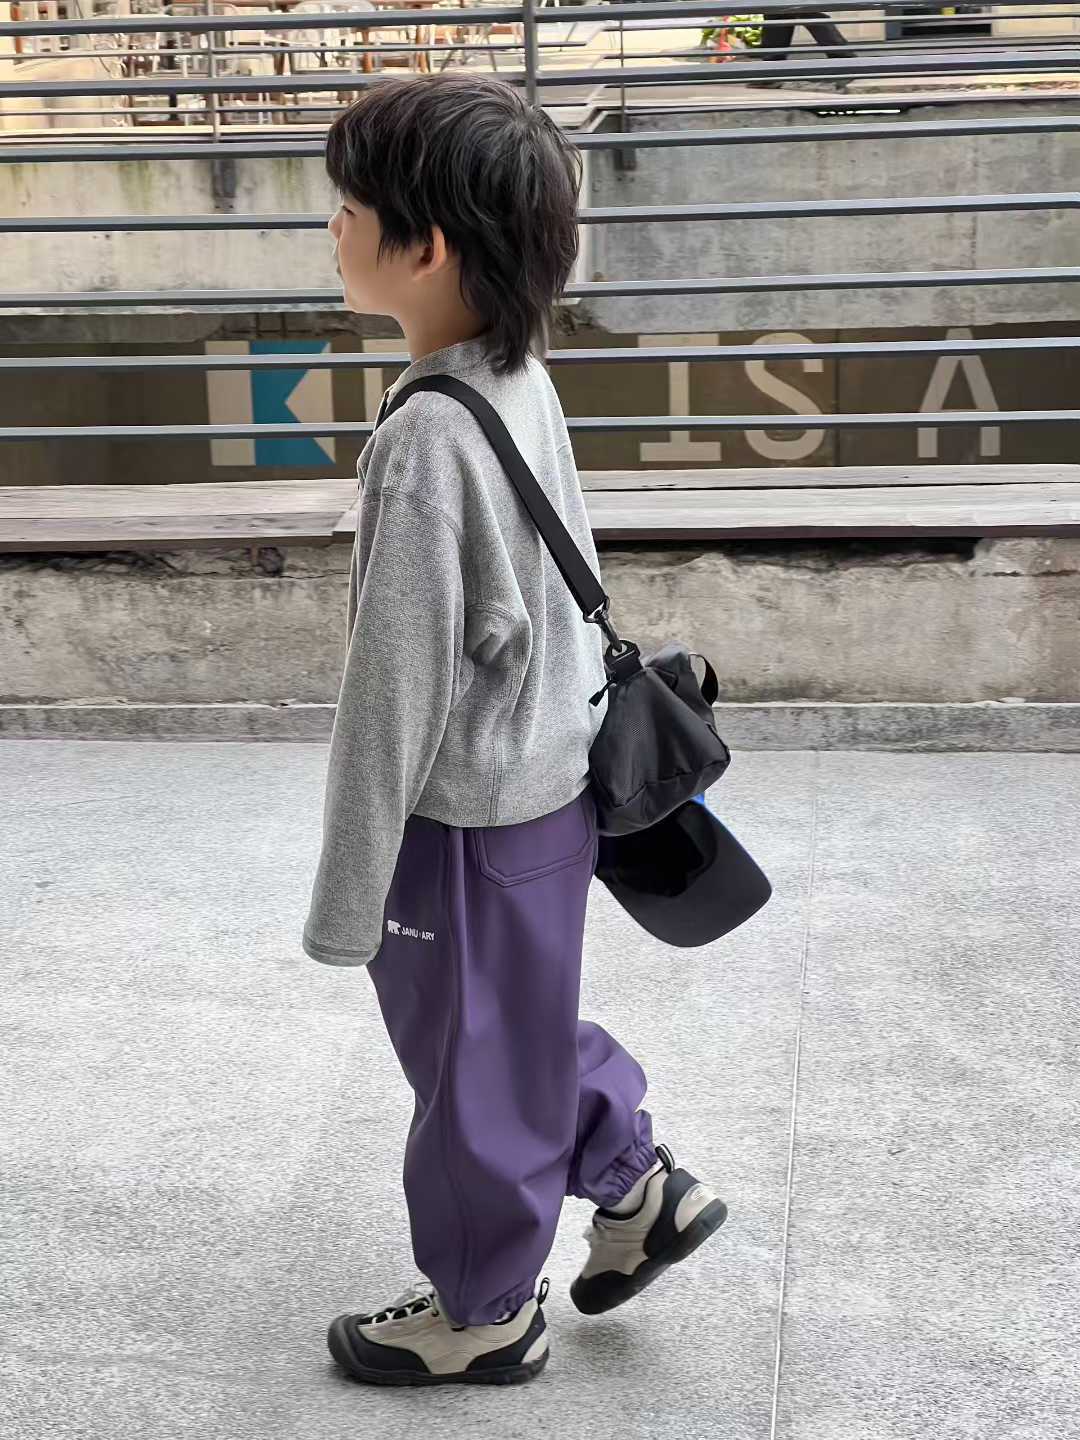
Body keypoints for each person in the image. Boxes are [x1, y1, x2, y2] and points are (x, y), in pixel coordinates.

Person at [303, 71, 728, 1388]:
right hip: (548, 784)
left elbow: (394, 693)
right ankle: (636, 1184)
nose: (333, 227)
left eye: (349, 206)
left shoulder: (428, 438)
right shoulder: (514, 376)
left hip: (466, 820)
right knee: (514, 1025)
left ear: (425, 247)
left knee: (468, 1063)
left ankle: (485, 1309)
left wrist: (347, 898)